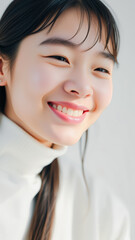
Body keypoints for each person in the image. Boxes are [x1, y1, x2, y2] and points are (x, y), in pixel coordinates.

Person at [0, 0, 131, 239]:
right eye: (60, 58)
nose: (82, 88)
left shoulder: (104, 215)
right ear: (1, 67)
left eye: (101, 69)